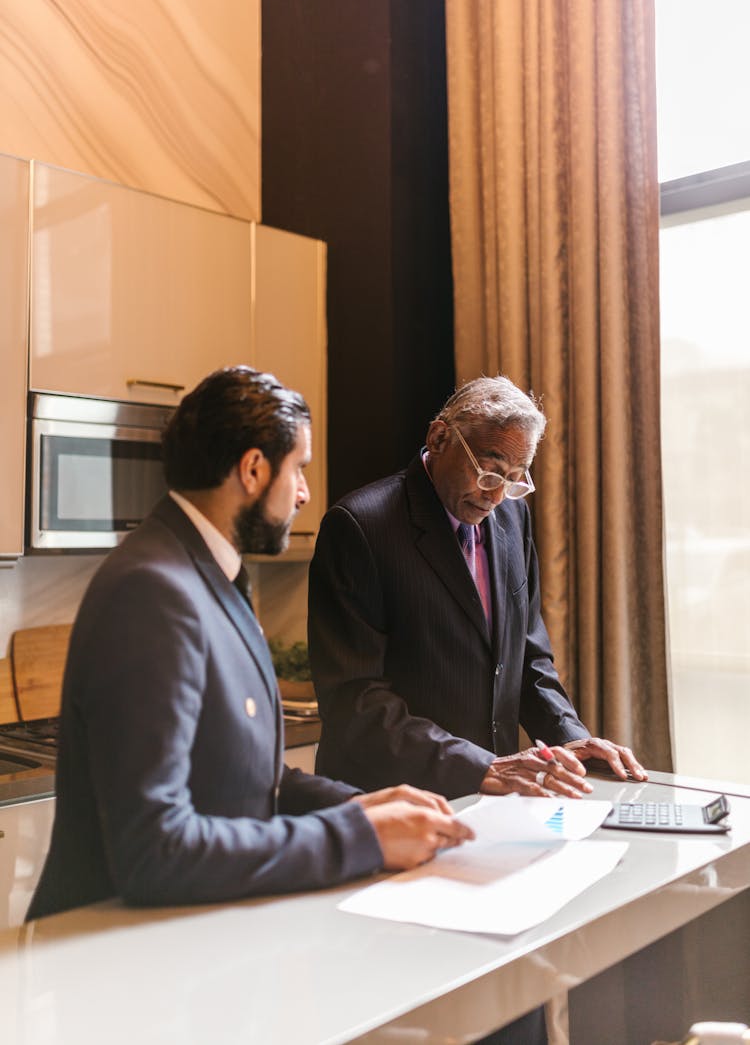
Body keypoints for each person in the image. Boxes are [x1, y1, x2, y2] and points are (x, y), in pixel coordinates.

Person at [27, 366, 473, 921]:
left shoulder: (208, 573)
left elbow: (240, 774)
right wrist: (357, 836)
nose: (307, 493)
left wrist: (359, 803)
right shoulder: (152, 591)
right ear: (254, 469)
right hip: (111, 958)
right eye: (300, 470)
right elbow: (155, 849)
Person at [308, 375, 648, 1045]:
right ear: (440, 438)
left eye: (515, 479)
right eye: (490, 469)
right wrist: (487, 765)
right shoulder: (362, 526)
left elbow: (527, 653)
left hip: (495, 824)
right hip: (395, 824)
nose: (496, 493)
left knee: (508, 1004)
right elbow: (358, 704)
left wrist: (569, 738)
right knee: (417, 1019)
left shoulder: (510, 517)